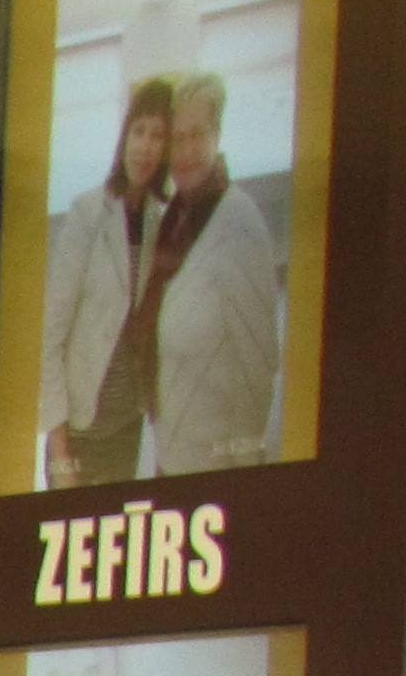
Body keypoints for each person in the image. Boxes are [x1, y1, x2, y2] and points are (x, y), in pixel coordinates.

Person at [40, 77, 178, 488]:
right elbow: (50, 336)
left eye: (158, 136)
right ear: (124, 136)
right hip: (78, 432)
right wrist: (59, 450)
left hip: (126, 427)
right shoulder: (87, 213)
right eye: (139, 131)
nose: (145, 146)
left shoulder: (162, 222)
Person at [144, 75, 284, 477]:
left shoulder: (239, 222)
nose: (186, 152)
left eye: (197, 136)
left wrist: (242, 473)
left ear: (217, 135)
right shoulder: (173, 221)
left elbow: (257, 365)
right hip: (171, 452)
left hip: (217, 465)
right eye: (177, 139)